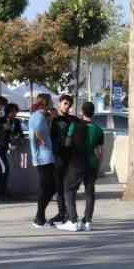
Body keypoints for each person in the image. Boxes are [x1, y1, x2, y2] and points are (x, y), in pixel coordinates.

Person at [61, 99, 106, 231]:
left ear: (82, 112)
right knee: (89, 192)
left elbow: (67, 144)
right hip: (92, 163)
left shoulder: (75, 125)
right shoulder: (98, 130)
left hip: (76, 163)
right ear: (93, 113)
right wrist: (98, 166)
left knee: (69, 190)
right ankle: (87, 221)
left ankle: (73, 220)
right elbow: (101, 152)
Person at [50, 94, 82, 231]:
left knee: (68, 188)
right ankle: (62, 212)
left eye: (69, 104)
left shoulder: (74, 120)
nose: (67, 106)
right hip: (58, 157)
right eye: (65, 103)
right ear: (59, 104)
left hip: (71, 158)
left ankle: (69, 214)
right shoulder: (54, 120)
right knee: (59, 187)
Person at [29, 93, 60, 228]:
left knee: (49, 187)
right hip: (43, 157)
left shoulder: (42, 116)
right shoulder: (38, 116)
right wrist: (41, 139)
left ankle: (40, 216)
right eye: (51, 101)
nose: (53, 104)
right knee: (47, 187)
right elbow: (37, 131)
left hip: (46, 156)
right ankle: (39, 217)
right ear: (46, 102)